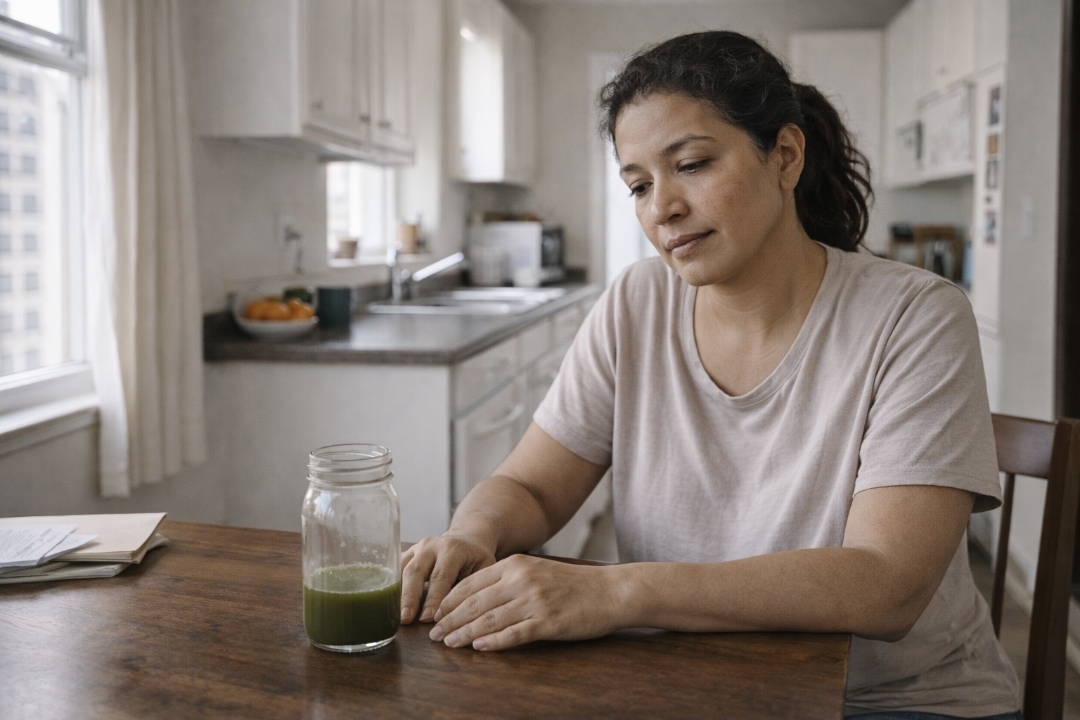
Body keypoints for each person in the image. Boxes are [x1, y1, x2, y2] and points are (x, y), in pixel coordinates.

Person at [400, 30, 1021, 719]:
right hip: (695, 682)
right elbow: (531, 486)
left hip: (894, 700)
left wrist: (617, 593)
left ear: (785, 156)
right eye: (638, 185)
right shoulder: (637, 302)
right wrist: (473, 531)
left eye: (690, 164)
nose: (661, 207)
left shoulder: (916, 315)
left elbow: (887, 585)